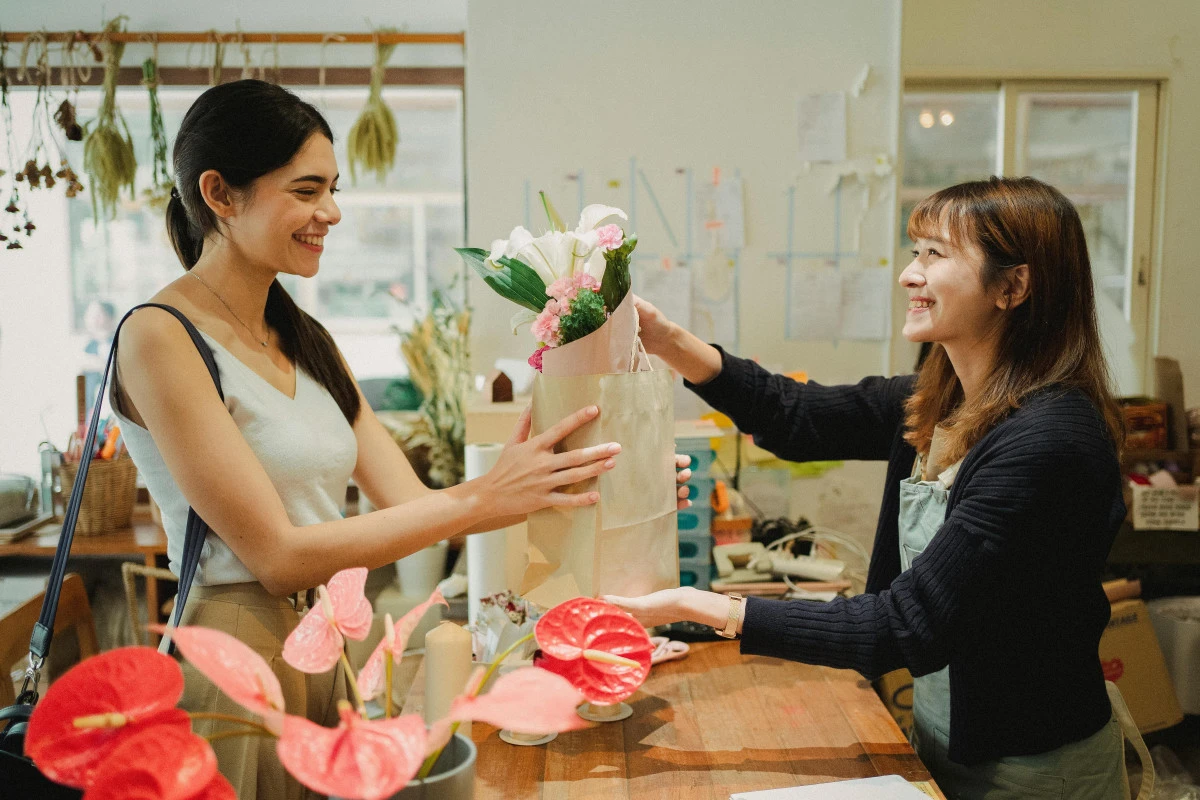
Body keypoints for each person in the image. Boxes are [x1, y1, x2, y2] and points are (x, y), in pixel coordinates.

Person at [109, 80, 689, 800]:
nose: (332, 212)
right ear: (220, 195)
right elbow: (278, 557)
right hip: (236, 658)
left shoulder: (304, 338)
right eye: (307, 189)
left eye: (333, 188)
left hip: (330, 652)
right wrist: (484, 497)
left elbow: (414, 509)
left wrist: (591, 472)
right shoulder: (160, 337)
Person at [609, 177, 1130, 799]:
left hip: (1036, 766)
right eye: (915, 252)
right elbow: (794, 417)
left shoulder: (1048, 442)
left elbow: (905, 625)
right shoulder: (940, 400)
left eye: (935, 255)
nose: (911, 274)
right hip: (946, 732)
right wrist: (667, 339)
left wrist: (704, 607)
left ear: (1012, 287)